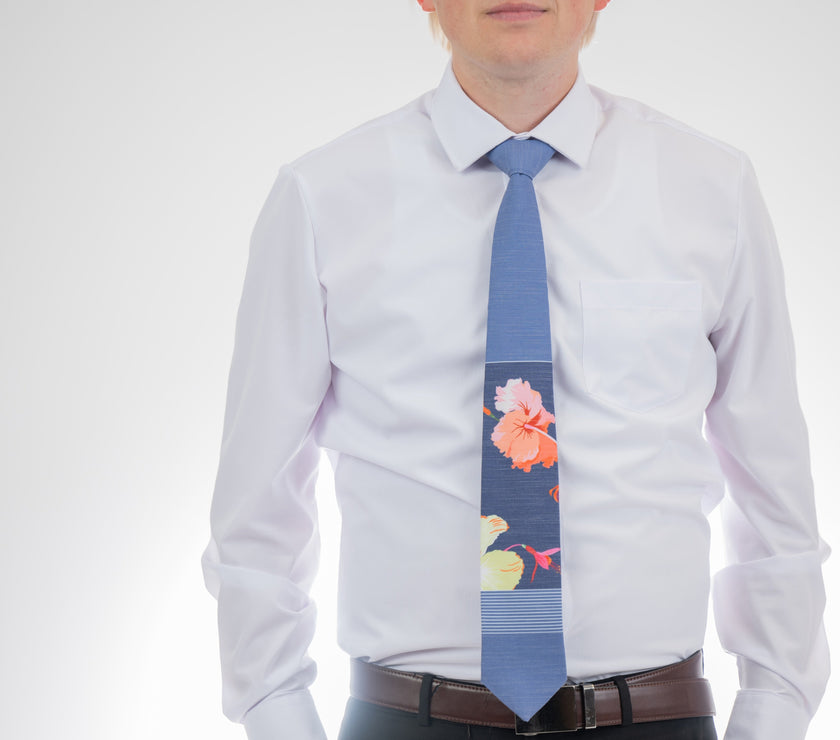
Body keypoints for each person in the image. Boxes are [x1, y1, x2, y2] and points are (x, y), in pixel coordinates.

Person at [202, 2, 830, 739]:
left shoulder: (711, 187)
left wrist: (773, 714)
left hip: (655, 717)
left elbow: (774, 488)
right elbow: (257, 502)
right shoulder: (323, 197)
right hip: (406, 719)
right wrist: (278, 715)